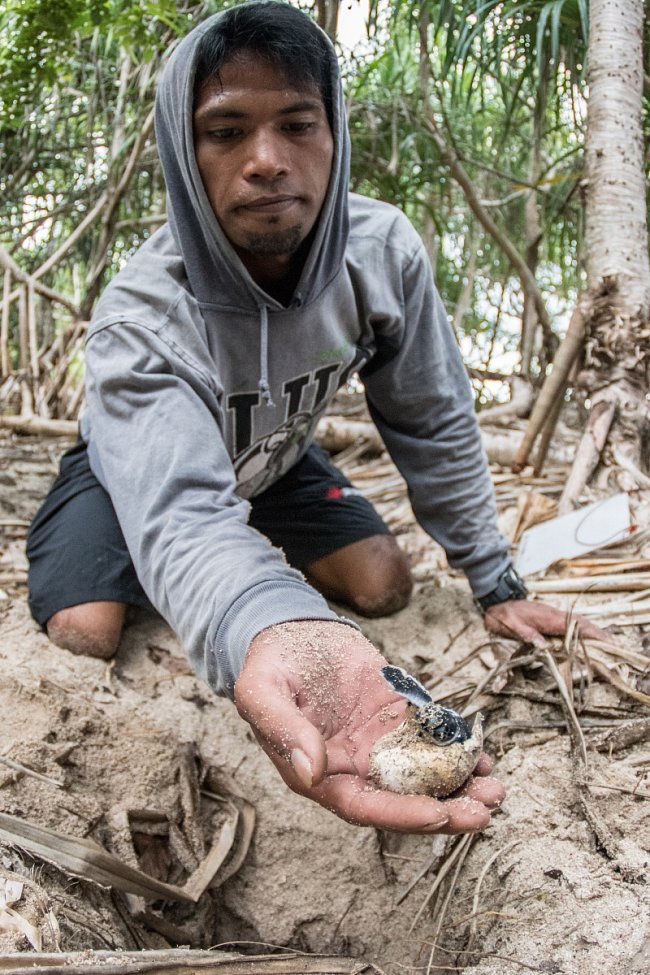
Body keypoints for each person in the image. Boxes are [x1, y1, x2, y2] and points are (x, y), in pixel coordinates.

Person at [26, 1, 602, 835]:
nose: (267, 160)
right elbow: (183, 509)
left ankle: (238, 555)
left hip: (277, 460)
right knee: (87, 627)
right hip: (136, 479)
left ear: (335, 136)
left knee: (383, 584)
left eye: (297, 123)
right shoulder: (141, 317)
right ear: (183, 156)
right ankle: (131, 564)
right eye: (225, 133)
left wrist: (494, 577)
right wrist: (267, 621)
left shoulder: (383, 255)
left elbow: (433, 418)